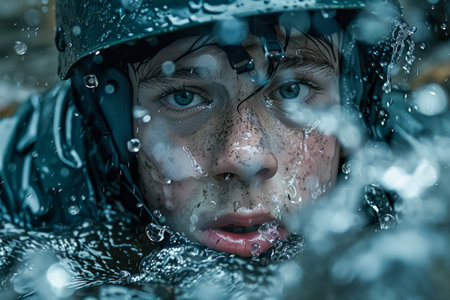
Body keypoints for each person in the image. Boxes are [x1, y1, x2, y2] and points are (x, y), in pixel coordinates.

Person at [0, 0, 401, 257]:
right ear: (116, 125)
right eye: (184, 97)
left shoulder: (424, 179)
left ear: (353, 103)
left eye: (292, 90)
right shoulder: (19, 200)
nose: (245, 158)